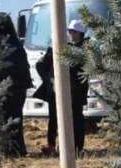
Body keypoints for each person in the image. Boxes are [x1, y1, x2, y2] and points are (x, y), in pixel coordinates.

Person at [35, 19, 90, 154]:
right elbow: (41, 65)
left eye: (73, 31)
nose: (71, 34)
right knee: (56, 117)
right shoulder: (72, 48)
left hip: (75, 91)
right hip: (62, 90)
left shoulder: (83, 49)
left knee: (76, 118)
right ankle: (57, 145)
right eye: (69, 32)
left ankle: (76, 147)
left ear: (80, 33)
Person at [0, 13, 32, 156]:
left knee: (3, 119)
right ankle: (18, 148)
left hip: (3, 88)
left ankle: (6, 149)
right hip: (18, 88)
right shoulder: (17, 44)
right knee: (16, 119)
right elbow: (24, 67)